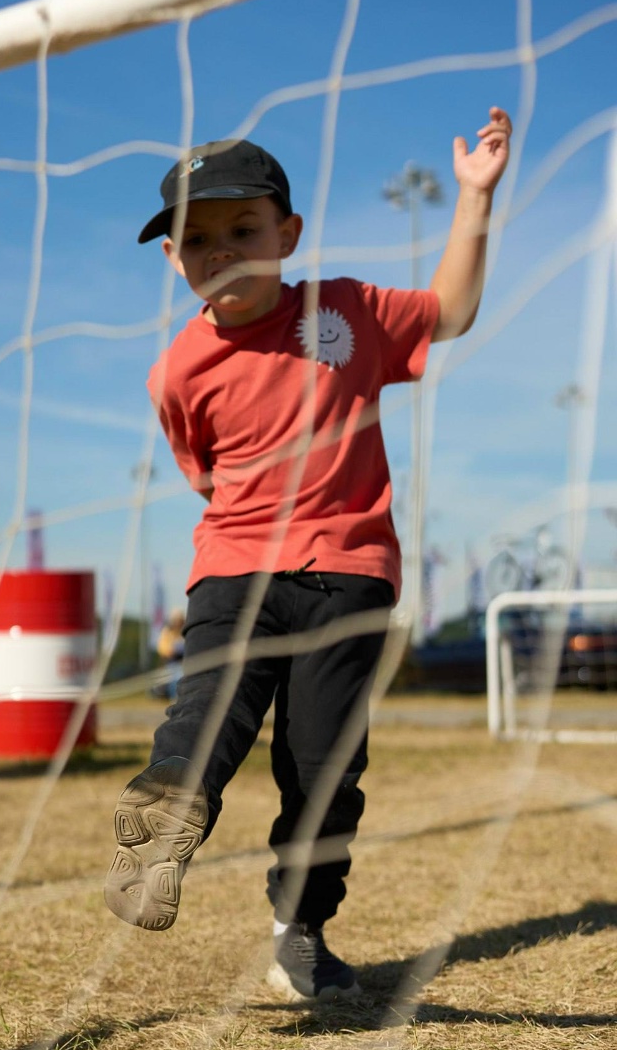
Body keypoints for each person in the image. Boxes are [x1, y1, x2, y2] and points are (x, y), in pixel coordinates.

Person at [104, 111, 512, 1002]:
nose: (222, 253)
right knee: (209, 712)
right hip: (236, 572)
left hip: (350, 580)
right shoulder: (177, 372)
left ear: (287, 235)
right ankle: (167, 809)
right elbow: (206, 476)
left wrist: (475, 199)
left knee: (323, 770)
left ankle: (301, 930)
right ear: (174, 262)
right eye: (196, 241)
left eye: (243, 231)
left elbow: (451, 311)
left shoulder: (349, 312)